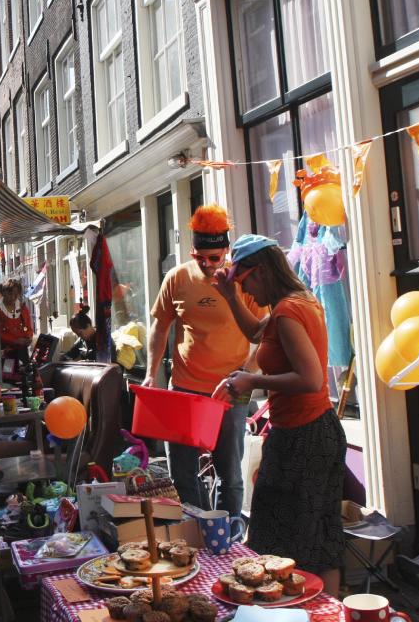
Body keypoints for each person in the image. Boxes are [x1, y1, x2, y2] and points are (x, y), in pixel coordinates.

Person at [210, 235, 345, 594]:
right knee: (321, 537)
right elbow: (256, 330)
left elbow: (311, 378)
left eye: (246, 281)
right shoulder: (299, 301)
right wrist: (230, 296)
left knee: (279, 537)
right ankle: (327, 615)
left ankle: (287, 613)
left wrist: (251, 379)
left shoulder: (287, 312)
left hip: (302, 436)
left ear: (264, 271)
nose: (247, 291)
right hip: (318, 430)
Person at [144, 204, 264, 517]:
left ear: (227, 251)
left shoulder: (244, 282)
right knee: (181, 475)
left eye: (215, 258)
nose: (208, 265)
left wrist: (246, 374)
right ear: (192, 251)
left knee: (230, 476)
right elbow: (160, 328)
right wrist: (150, 373)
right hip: (184, 388)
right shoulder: (177, 278)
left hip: (231, 392)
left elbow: (266, 335)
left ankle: (227, 540)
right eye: (201, 258)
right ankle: (195, 537)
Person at [0, 279, 34, 370]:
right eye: (10, 293)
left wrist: (28, 338)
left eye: (16, 294)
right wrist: (14, 341)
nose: (12, 297)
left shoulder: (23, 309)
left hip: (21, 352)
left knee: (23, 377)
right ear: (4, 292)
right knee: (8, 377)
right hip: (3, 353)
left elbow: (28, 328)